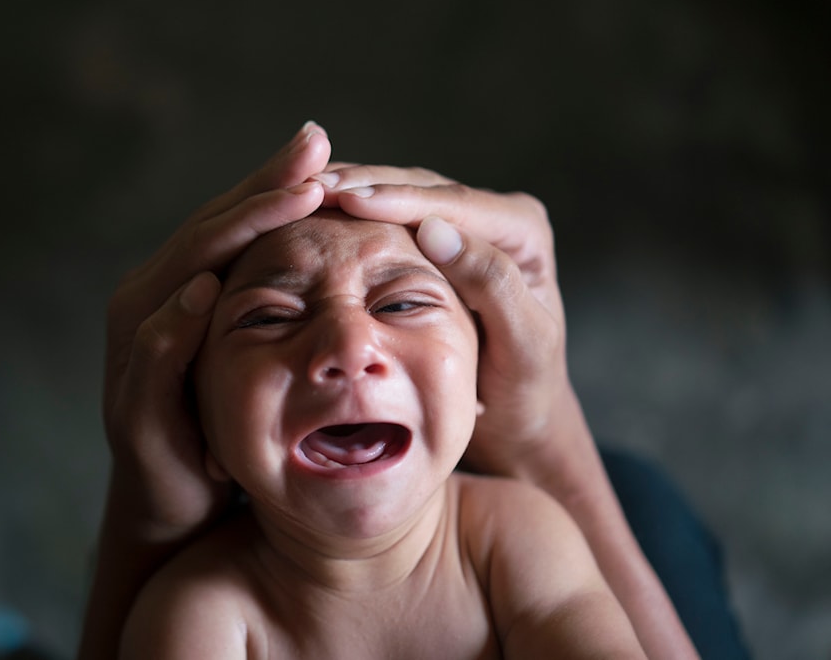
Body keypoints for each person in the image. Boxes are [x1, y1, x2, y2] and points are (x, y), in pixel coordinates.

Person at [78, 122, 707, 659]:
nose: (348, 350)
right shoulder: (203, 612)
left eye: (403, 303)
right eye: (269, 317)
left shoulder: (515, 537)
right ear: (198, 431)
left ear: (484, 386)